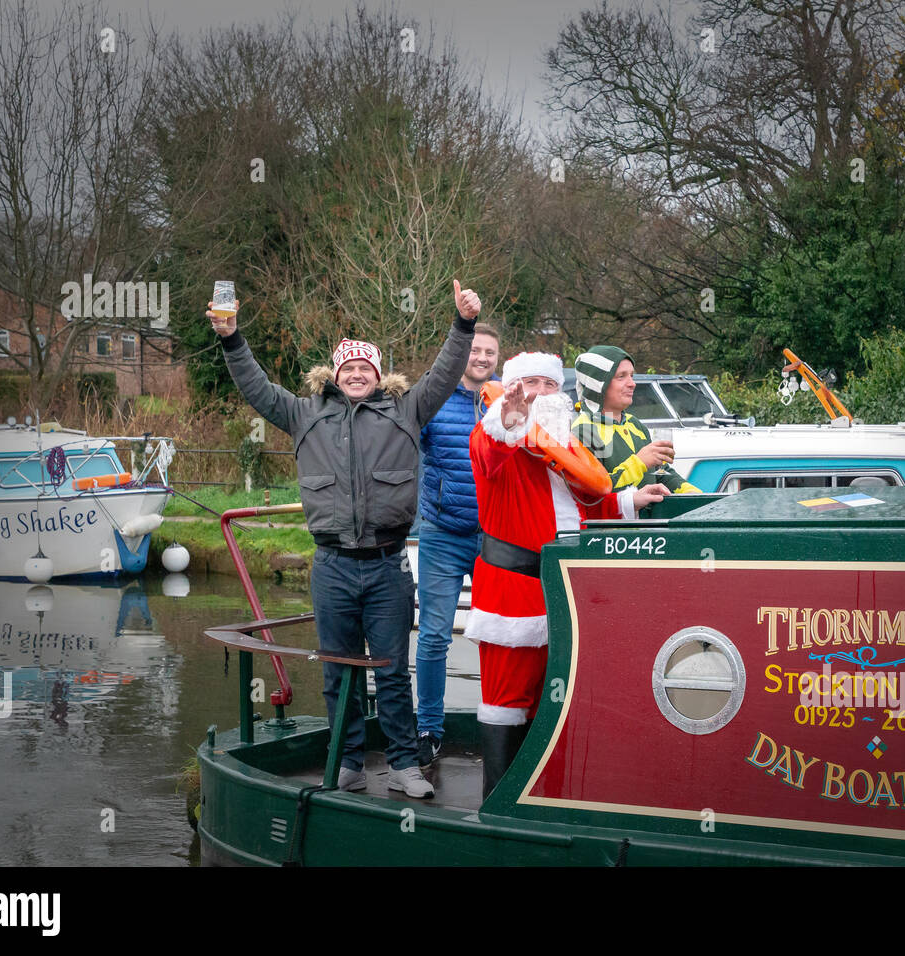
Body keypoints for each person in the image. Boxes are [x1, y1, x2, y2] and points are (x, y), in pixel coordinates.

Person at [207, 280, 482, 799]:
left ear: (379, 377)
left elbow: (446, 371)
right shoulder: (304, 414)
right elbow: (256, 387)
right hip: (332, 567)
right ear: (335, 375)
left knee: (393, 673)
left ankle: (404, 765)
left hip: (387, 567)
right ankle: (349, 761)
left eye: (366, 369)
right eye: (349, 369)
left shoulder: (407, 410)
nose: (357, 375)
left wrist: (463, 324)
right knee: (338, 672)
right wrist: (231, 339)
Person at [465, 352, 668, 796]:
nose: (540, 392)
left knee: (551, 698)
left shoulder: (565, 447)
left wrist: (631, 501)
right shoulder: (496, 438)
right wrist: (509, 417)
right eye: (529, 383)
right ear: (513, 389)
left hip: (563, 594)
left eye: (550, 384)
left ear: (563, 393)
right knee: (504, 703)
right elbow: (487, 449)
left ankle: (542, 796)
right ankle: (498, 803)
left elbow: (583, 509)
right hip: (511, 596)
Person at [414, 323, 500, 770]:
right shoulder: (434, 400)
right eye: (475, 349)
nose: (482, 357)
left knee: (499, 636)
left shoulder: (505, 405)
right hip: (442, 535)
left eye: (490, 351)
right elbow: (400, 448)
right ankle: (428, 730)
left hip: (495, 541)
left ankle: (501, 726)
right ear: (462, 353)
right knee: (432, 635)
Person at [572, 346, 702, 493]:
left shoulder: (634, 424)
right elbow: (597, 492)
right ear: (597, 385)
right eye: (621, 376)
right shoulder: (583, 431)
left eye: (631, 375)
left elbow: (660, 473)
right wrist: (639, 462)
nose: (632, 383)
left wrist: (694, 494)